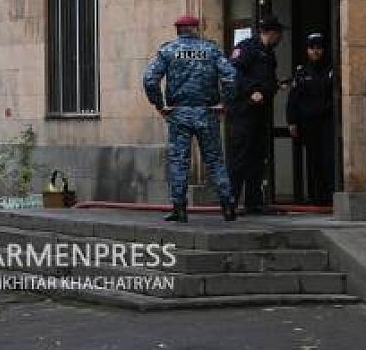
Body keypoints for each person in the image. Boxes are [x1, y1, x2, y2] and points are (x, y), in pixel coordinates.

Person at [143, 14, 239, 223]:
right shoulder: (212, 49)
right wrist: (225, 103)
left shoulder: (168, 50)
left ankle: (180, 209)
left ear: (177, 30)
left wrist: (160, 105)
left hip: (179, 113)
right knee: (215, 160)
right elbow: (231, 76)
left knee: (179, 161)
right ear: (197, 29)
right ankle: (228, 206)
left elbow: (150, 79)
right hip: (207, 112)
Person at [227, 15, 284, 215]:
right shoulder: (247, 48)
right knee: (239, 157)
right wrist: (252, 90)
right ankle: (230, 201)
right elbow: (233, 72)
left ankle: (253, 202)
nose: (280, 39)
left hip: (260, 113)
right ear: (271, 33)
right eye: (279, 34)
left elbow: (267, 79)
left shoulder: (269, 54)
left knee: (257, 157)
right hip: (244, 112)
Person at [287, 33, 335, 205]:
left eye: (319, 48)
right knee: (313, 159)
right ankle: (316, 196)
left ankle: (330, 194)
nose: (315, 52)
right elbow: (293, 99)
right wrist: (292, 121)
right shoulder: (302, 72)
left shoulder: (331, 70)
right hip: (309, 122)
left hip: (327, 121)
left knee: (329, 158)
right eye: (312, 48)